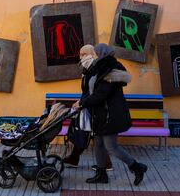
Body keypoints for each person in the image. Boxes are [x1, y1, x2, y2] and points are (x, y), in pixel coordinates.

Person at [72, 43, 148, 186]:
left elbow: (101, 94)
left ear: (102, 54)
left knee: (111, 146)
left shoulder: (111, 70)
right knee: (99, 144)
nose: (92, 56)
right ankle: (101, 174)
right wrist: (82, 101)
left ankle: (137, 167)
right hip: (100, 114)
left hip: (110, 115)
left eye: (94, 54)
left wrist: (83, 104)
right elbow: (90, 91)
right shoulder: (98, 68)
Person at [63, 44, 113, 171]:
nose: (81, 57)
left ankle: (106, 163)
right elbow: (86, 91)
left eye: (84, 54)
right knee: (83, 130)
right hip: (88, 105)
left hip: (95, 107)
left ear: (92, 54)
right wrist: (81, 101)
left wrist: (82, 102)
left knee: (92, 134)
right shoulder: (86, 70)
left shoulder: (95, 69)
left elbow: (95, 92)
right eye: (80, 54)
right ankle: (75, 158)